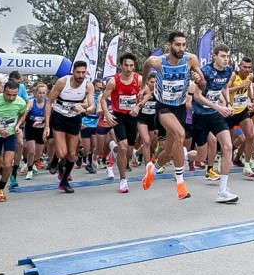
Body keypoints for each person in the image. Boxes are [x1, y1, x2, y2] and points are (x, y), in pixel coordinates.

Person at [141, 32, 206, 200]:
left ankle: (152, 170)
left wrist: (198, 80)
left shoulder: (190, 60)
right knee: (180, 134)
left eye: (184, 45)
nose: (181, 48)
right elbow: (146, 65)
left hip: (180, 107)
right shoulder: (158, 62)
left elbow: (204, 84)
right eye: (178, 45)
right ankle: (180, 183)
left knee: (169, 151)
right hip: (163, 106)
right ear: (169, 45)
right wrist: (143, 87)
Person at [190, 45, 239, 203]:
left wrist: (228, 103)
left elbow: (224, 87)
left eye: (228, 56)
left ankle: (222, 190)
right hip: (200, 116)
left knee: (227, 146)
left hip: (215, 115)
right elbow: (197, 96)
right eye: (223, 56)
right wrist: (218, 106)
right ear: (214, 56)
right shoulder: (205, 71)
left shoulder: (228, 71)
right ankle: (180, 155)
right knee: (200, 156)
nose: (226, 59)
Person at [43, 60, 95, 193]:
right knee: (62, 152)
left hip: (74, 119)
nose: (81, 75)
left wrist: (84, 109)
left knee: (72, 154)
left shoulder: (88, 86)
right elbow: (49, 102)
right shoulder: (62, 82)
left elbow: (91, 107)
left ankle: (64, 180)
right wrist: (47, 125)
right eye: (78, 72)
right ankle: (56, 158)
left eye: (83, 72)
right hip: (59, 117)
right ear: (73, 71)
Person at [101, 53, 142, 194]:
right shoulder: (113, 81)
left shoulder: (139, 79)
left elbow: (148, 93)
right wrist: (107, 113)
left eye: (131, 65)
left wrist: (138, 106)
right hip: (119, 116)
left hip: (132, 117)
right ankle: (123, 179)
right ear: (121, 65)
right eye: (126, 65)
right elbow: (103, 99)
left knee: (129, 150)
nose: (128, 68)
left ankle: (114, 151)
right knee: (124, 148)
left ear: (134, 66)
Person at [225, 56, 254, 178]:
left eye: (249, 67)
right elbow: (226, 90)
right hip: (230, 112)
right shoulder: (234, 76)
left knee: (251, 135)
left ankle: (247, 165)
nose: (247, 69)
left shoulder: (250, 76)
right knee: (227, 142)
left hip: (242, 110)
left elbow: (248, 88)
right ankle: (223, 160)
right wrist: (239, 86)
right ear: (239, 66)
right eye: (244, 67)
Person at [21, 82, 48, 180]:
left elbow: (50, 117)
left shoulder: (48, 103)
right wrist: (33, 121)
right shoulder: (31, 103)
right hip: (31, 128)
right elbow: (25, 117)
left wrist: (44, 122)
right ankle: (29, 170)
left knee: (38, 154)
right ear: (35, 93)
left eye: (43, 93)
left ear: (46, 94)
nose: (41, 95)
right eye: (39, 93)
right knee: (31, 151)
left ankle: (32, 164)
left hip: (41, 130)